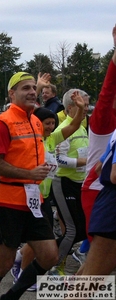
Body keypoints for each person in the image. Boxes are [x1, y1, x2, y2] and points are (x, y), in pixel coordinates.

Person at [0, 72, 57, 300]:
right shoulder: (4, 122)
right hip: (7, 200)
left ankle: (11, 296)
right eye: (25, 88)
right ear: (12, 94)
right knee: (2, 264)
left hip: (33, 200)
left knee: (49, 256)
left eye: (34, 88)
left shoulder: (35, 120)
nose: (32, 91)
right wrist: (29, 174)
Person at [11, 93, 85, 292]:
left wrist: (80, 109)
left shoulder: (52, 139)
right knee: (38, 238)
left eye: (53, 123)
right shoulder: (31, 140)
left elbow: (74, 125)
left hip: (44, 196)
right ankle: (22, 273)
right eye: (47, 123)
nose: (51, 127)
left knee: (44, 237)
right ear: (37, 124)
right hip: (28, 194)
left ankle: (19, 259)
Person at [78, 24, 116, 271]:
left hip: (105, 193)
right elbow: (106, 94)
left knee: (94, 272)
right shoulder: (105, 123)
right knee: (95, 273)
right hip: (99, 193)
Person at [49, 89, 89, 276]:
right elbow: (59, 159)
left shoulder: (81, 127)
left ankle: (46, 254)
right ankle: (54, 266)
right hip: (63, 182)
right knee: (73, 231)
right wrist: (82, 162)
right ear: (70, 108)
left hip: (79, 183)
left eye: (88, 106)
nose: (86, 110)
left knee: (81, 230)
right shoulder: (62, 129)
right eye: (83, 106)